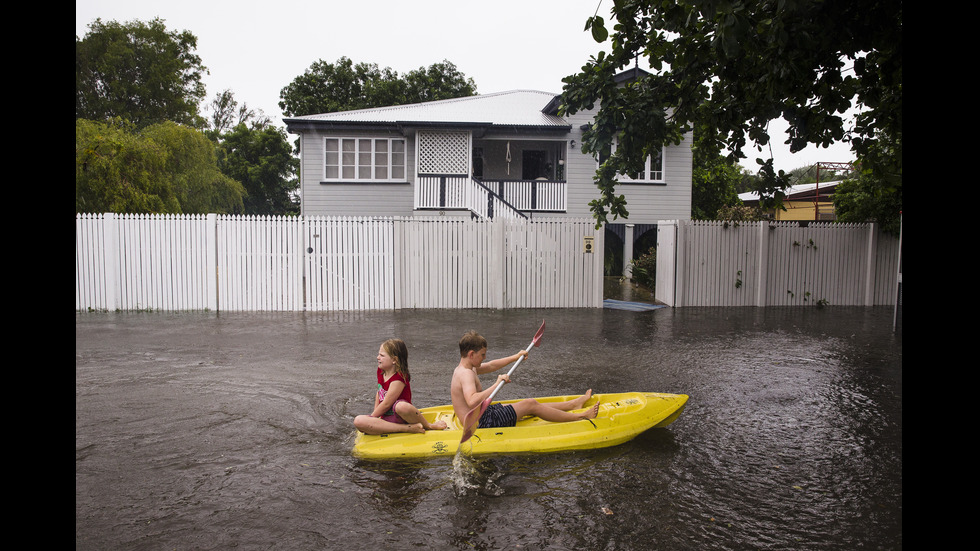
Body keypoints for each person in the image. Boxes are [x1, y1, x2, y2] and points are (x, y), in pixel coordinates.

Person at [450, 330, 598, 430]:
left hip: (482, 413)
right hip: (481, 423)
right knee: (530, 404)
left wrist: (516, 357)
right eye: (482, 354)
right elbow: (472, 400)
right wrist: (496, 384)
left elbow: (491, 365)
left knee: (522, 404)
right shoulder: (466, 374)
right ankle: (581, 416)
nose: (484, 358)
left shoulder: (466, 368)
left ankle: (573, 404)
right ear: (471, 354)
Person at [353, 339, 448, 435]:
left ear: (394, 360)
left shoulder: (398, 378)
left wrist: (372, 418)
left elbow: (386, 404)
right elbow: (379, 392)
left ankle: (428, 426)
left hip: (401, 417)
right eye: (379, 354)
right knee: (358, 421)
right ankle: (407, 428)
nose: (378, 357)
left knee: (401, 406)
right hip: (387, 419)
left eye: (382, 355)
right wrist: (374, 418)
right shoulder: (381, 371)